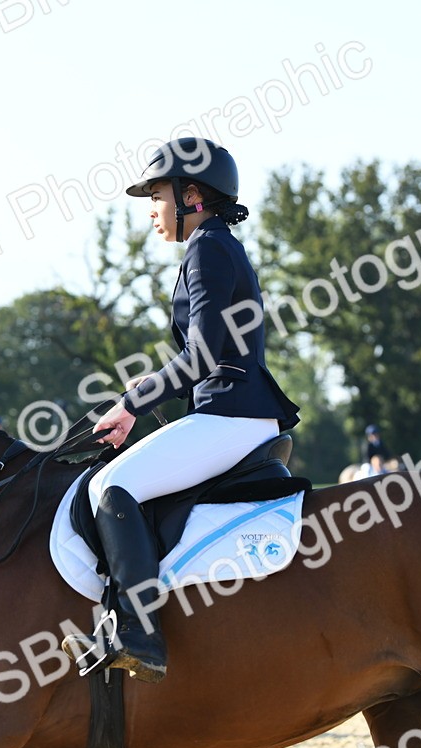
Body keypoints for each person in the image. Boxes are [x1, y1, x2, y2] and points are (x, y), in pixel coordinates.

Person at [62, 138, 301, 684]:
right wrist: (147, 389)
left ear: (191, 195)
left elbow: (203, 357)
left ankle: (139, 634)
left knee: (111, 487)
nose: (151, 209)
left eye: (157, 195)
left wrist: (132, 404)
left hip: (232, 415)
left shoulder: (206, 248)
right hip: (234, 411)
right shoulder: (215, 244)